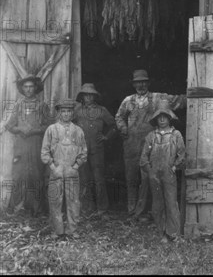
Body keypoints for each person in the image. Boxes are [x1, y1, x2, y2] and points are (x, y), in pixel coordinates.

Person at [115, 70, 186, 219]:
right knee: (131, 178)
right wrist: (124, 129)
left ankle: (146, 211)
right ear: (134, 84)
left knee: (149, 177)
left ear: (148, 83)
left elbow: (178, 101)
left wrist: (193, 94)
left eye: (143, 82)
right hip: (131, 145)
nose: (141, 85)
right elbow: (119, 117)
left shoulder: (157, 98)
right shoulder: (128, 100)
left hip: (150, 144)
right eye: (138, 82)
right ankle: (131, 210)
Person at [0, 74, 51, 216]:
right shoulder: (18, 105)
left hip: (36, 144)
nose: (28, 90)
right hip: (21, 145)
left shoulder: (42, 105)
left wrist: (34, 130)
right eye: (26, 87)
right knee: (19, 174)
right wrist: (20, 129)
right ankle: (18, 207)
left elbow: (48, 126)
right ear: (22, 89)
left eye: (31, 87)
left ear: (35, 88)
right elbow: (10, 126)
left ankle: (36, 209)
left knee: (36, 175)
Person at [140, 99, 185, 243]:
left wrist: (175, 167)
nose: (162, 119)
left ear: (170, 117)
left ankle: (174, 233)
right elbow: (143, 158)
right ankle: (162, 233)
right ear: (156, 119)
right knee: (158, 204)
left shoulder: (176, 135)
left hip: (168, 174)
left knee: (171, 202)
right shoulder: (151, 136)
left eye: (165, 116)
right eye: (159, 117)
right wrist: (150, 171)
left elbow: (182, 154)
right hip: (155, 175)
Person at [41, 99, 87, 239]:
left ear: (72, 113)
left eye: (69, 111)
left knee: (73, 201)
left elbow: (83, 152)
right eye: (63, 111)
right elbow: (44, 151)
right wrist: (53, 167)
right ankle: (57, 230)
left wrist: (76, 166)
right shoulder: (51, 129)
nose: (66, 114)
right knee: (55, 200)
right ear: (59, 113)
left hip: (72, 170)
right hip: (56, 169)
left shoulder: (78, 130)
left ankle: (72, 230)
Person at [73, 83, 116, 217]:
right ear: (82, 96)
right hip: (81, 149)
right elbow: (69, 124)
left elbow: (114, 125)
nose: (88, 98)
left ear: (95, 96)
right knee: (84, 178)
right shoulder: (77, 110)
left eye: (91, 95)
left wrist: (106, 137)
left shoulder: (102, 110)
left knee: (99, 179)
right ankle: (87, 208)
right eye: (86, 95)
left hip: (97, 149)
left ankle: (102, 208)